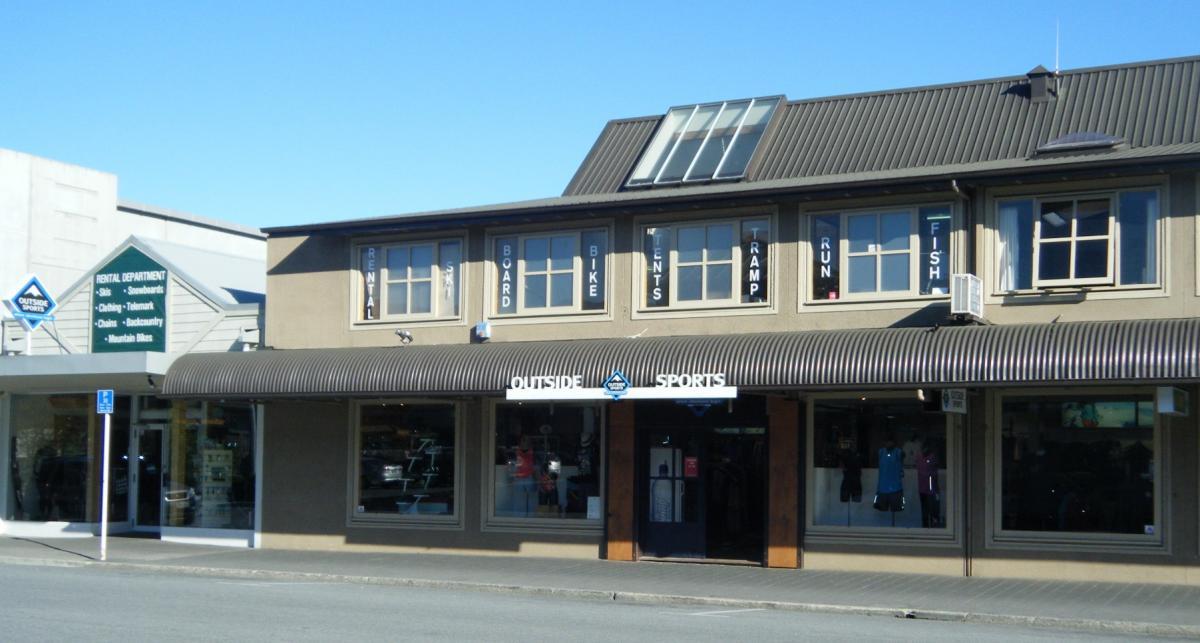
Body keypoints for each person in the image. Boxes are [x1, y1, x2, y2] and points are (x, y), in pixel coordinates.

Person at [874, 434, 904, 513]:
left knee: (896, 510)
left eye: (890, 442)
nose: (888, 444)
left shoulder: (899, 452)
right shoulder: (880, 452)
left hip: (896, 489)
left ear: (893, 442)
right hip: (882, 489)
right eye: (886, 442)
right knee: (882, 511)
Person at [916, 440, 940, 527]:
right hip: (923, 489)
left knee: (933, 510)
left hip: (932, 489)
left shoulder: (932, 457)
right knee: (925, 511)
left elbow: (934, 472)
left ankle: (934, 527)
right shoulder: (920, 457)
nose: (924, 450)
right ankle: (925, 527)